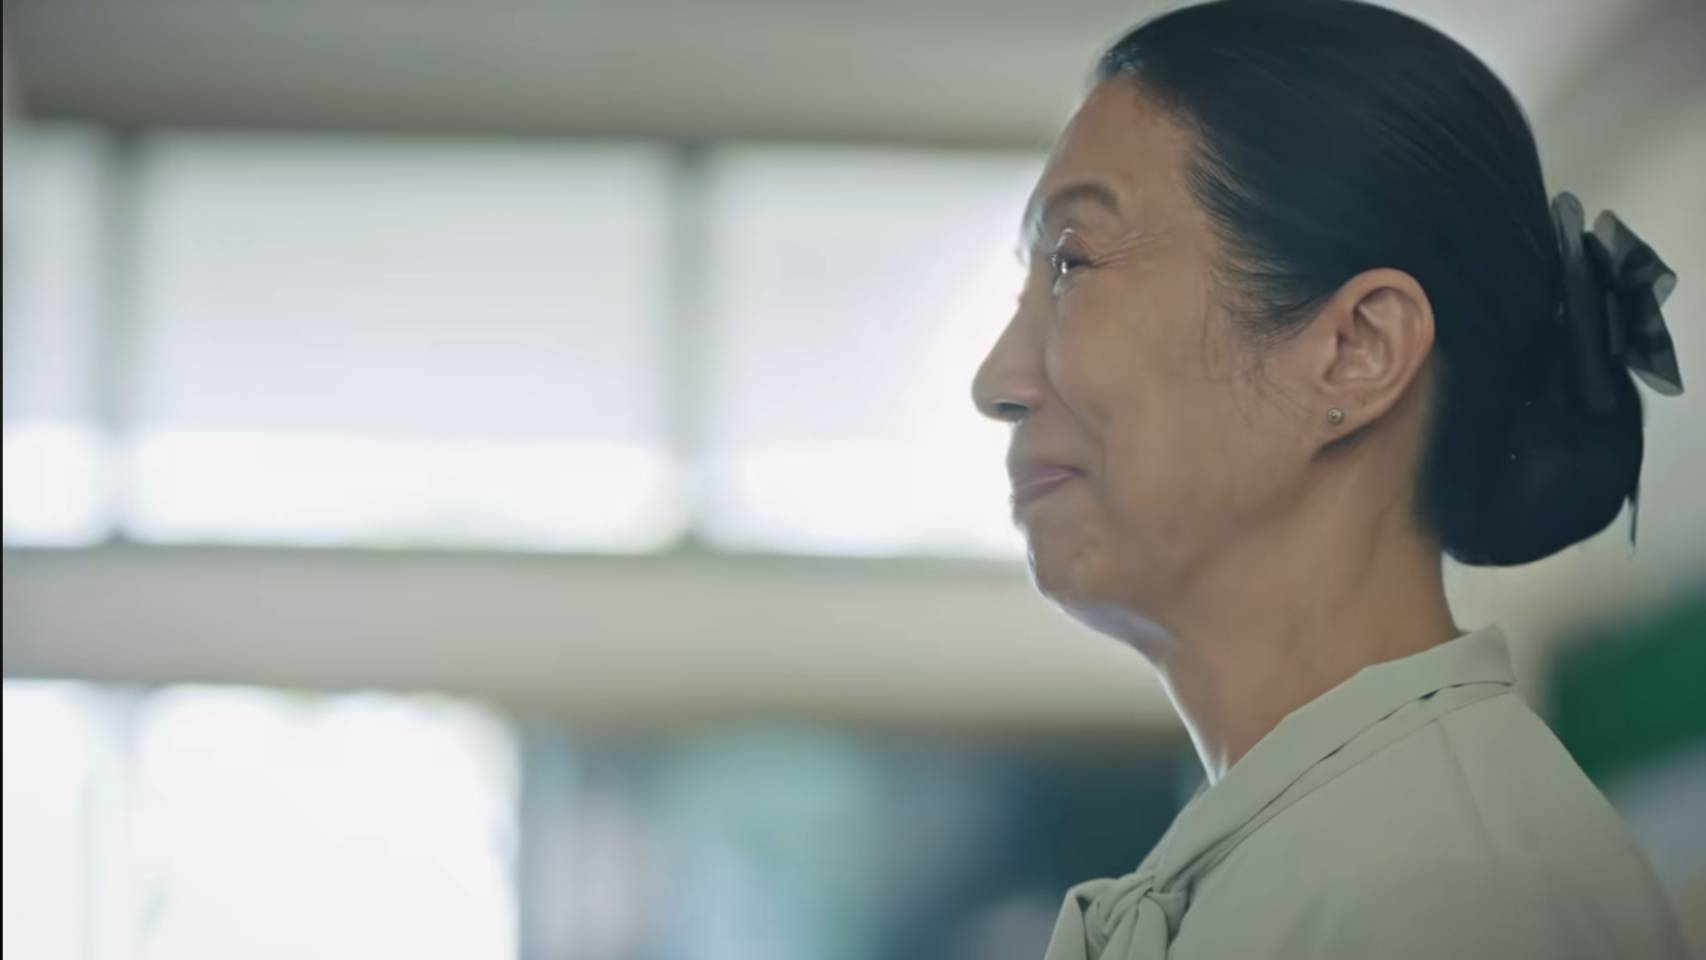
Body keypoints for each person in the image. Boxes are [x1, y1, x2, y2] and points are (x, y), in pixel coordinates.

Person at [969, 2, 1690, 957]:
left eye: (1072, 261)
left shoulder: (1455, 894)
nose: (996, 383)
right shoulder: (1346, 852)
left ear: (1357, 349)